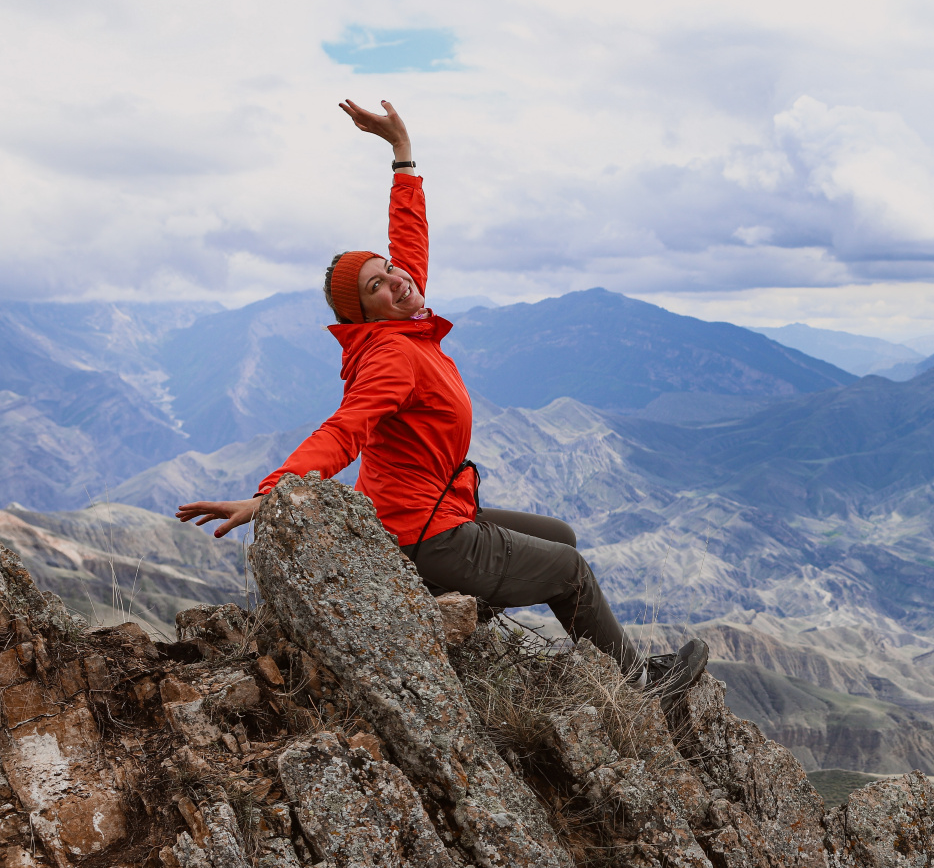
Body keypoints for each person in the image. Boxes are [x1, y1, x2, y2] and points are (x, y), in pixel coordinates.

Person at [177, 100, 706, 698]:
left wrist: (402, 154)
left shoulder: (403, 321)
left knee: (560, 535)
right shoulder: (393, 355)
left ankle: (469, 616)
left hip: (430, 510)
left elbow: (409, 240)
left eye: (390, 270)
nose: (397, 279)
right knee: (570, 572)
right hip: (422, 535)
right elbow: (345, 429)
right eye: (377, 284)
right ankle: (640, 690)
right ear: (365, 312)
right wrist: (269, 494)